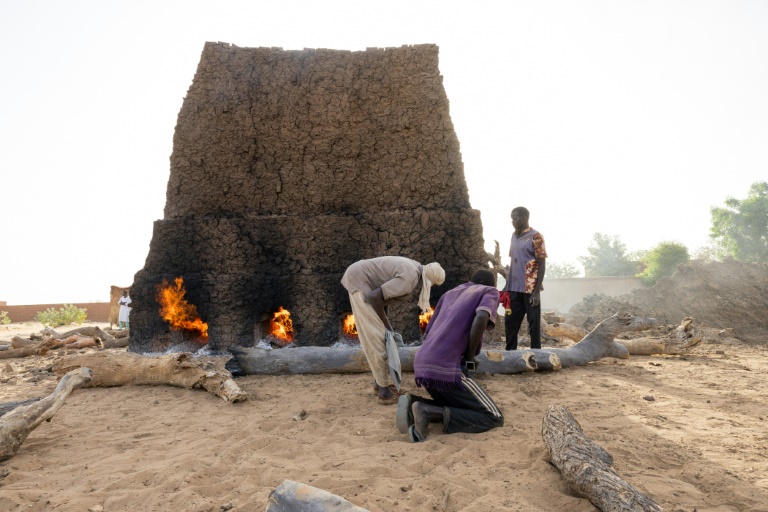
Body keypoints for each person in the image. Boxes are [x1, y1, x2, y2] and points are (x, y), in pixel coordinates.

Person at [397, 269, 503, 442]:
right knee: (494, 416)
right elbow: (481, 317)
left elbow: (429, 330)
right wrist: (470, 357)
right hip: (446, 365)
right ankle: (426, 411)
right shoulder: (489, 291)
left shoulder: (450, 293)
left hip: (423, 363)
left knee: (456, 402)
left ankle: (413, 403)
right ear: (492, 284)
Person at [342, 256, 445, 405]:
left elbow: (382, 297)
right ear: (428, 281)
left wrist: (385, 323)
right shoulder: (409, 279)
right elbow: (374, 296)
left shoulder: (416, 268)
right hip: (359, 280)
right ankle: (384, 393)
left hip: (359, 276)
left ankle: (379, 384)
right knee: (377, 340)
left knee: (381, 335)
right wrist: (386, 325)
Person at [503, 206, 547, 350]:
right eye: (511, 219)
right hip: (514, 288)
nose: (512, 221)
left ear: (524, 218)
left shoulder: (536, 236)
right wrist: (507, 286)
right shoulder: (513, 236)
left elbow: (541, 263)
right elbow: (514, 262)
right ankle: (510, 354)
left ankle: (536, 355)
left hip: (530, 288)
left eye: (514, 218)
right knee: (510, 322)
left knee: (533, 323)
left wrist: (536, 291)